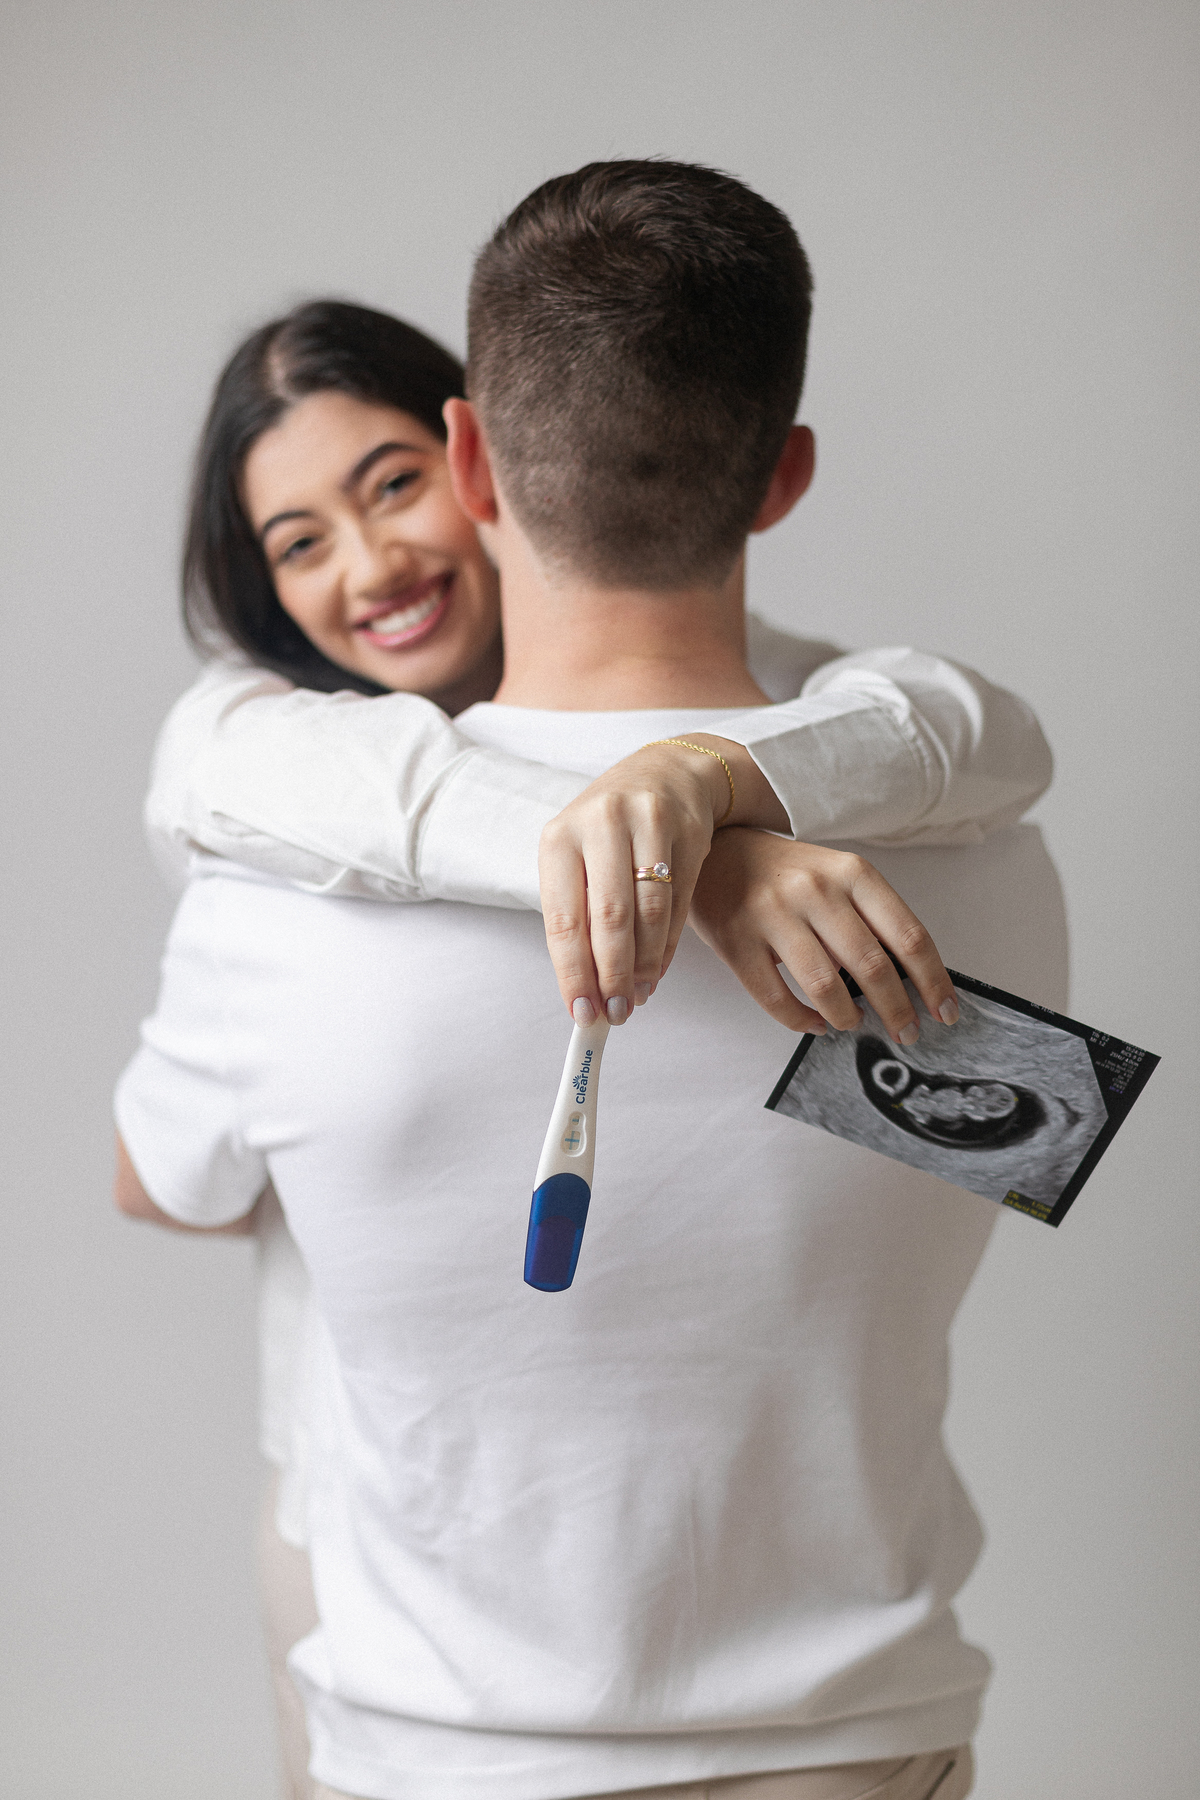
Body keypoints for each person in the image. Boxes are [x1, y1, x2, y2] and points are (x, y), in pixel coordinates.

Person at [115, 172, 1064, 1800]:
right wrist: (705, 843)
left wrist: (704, 796)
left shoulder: (262, 915)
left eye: (391, 485)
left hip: (436, 1733)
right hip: (852, 1724)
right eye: (300, 538)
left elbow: (163, 1181)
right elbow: (998, 1140)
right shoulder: (980, 872)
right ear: (783, 476)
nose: (370, 563)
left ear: (471, 461)